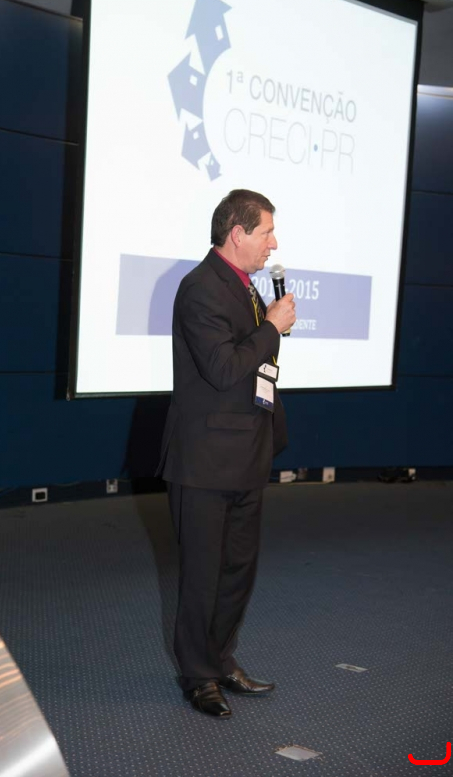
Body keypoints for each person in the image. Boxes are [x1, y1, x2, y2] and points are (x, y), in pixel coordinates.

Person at [159, 189, 296, 718]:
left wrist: (269, 326)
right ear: (237, 233)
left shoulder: (246, 287)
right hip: (205, 460)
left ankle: (221, 660)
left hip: (247, 452)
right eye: (266, 232)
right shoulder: (200, 288)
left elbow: (252, 363)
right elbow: (222, 369)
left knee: (238, 571)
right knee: (202, 575)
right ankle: (199, 677)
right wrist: (271, 328)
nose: (273, 243)